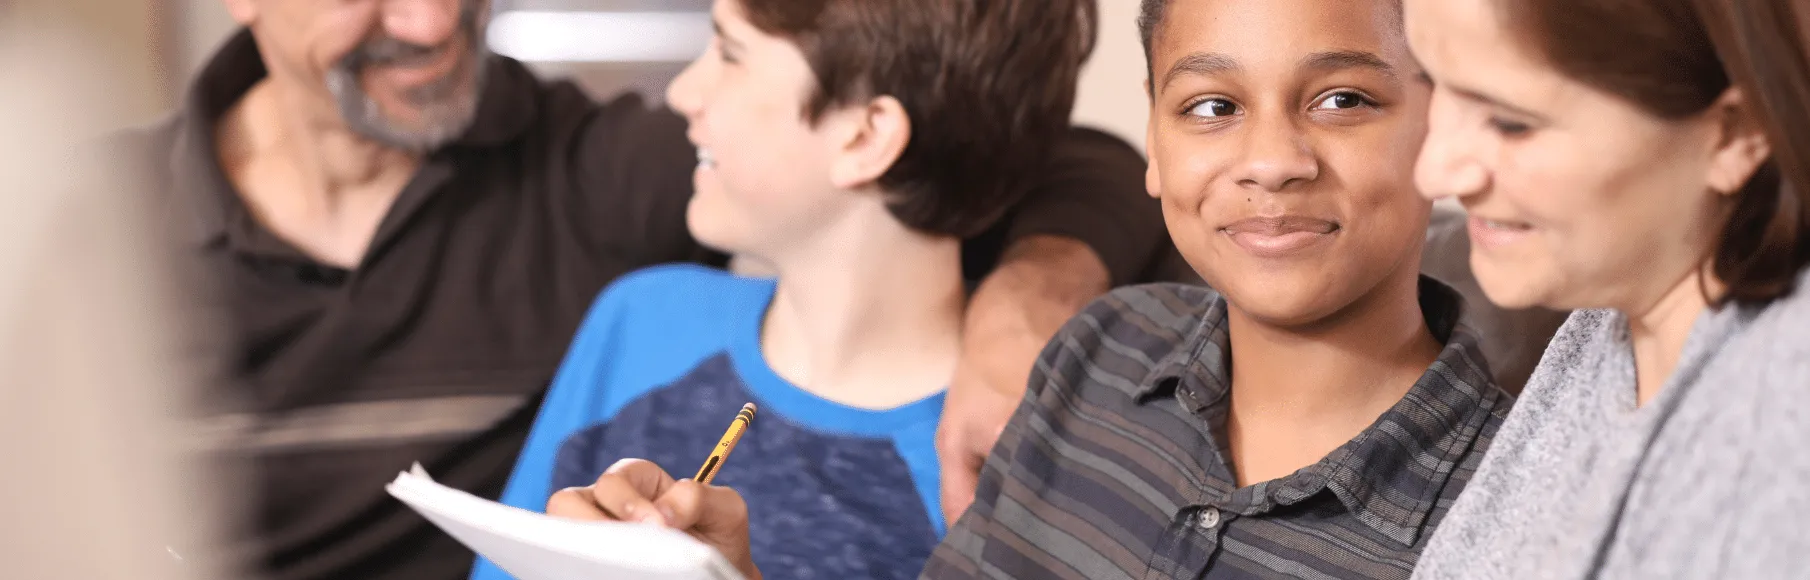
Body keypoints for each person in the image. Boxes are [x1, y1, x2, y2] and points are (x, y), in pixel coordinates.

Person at [121, 0, 1168, 577]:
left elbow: (1020, 141)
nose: (436, 21)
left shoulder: (598, 173)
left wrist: (1036, 295)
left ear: (864, 135)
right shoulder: (74, 231)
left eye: (722, 52)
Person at [545, 1, 1512, 578]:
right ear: (1154, 146)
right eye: (1210, 107)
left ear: (1446, 126)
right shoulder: (1095, 356)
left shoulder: (1513, 502)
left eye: (1343, 100)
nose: (1271, 159)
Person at [470, 0, 1096, 578]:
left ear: (865, 135)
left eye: (731, 54)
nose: (685, 93)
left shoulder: (1006, 461)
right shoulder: (640, 320)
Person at [1401, 0, 1810, 577]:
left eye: (1511, 123)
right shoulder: (1607, 323)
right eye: (1435, 85)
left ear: (1736, 135)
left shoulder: (1787, 414)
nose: (1434, 174)